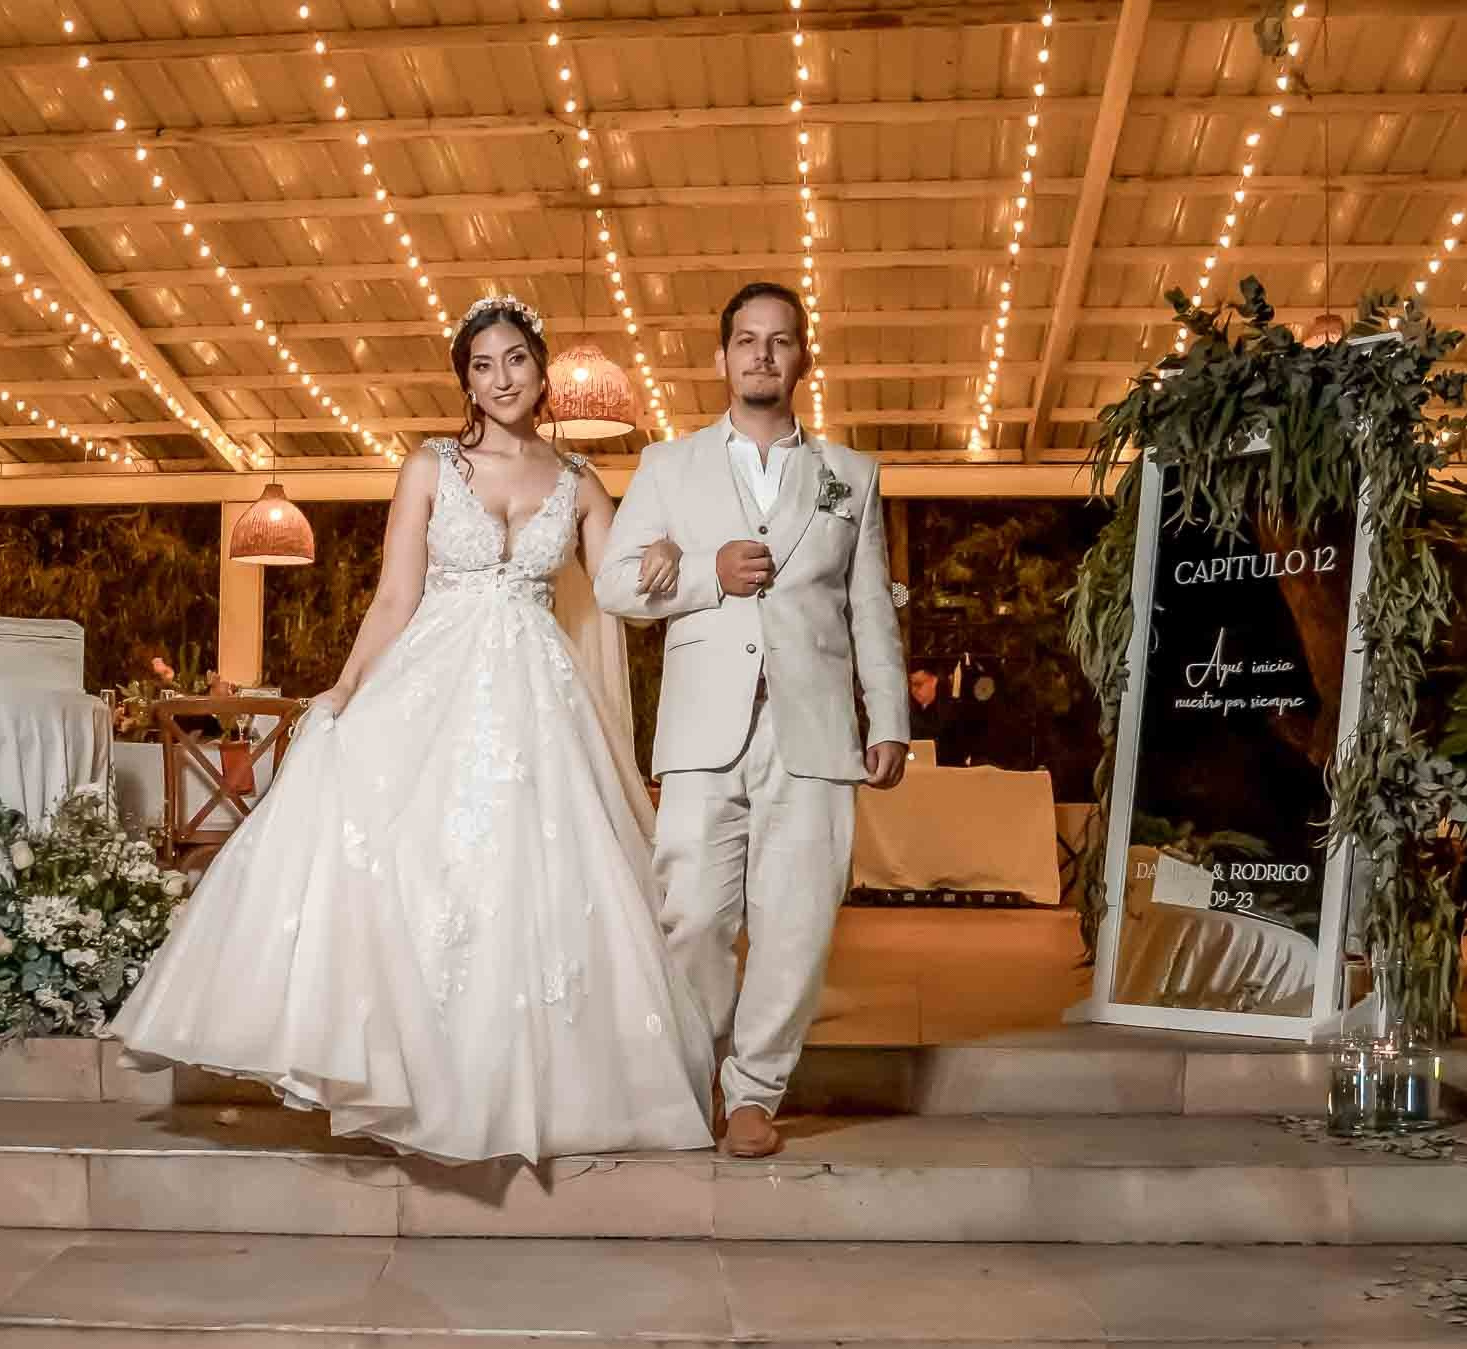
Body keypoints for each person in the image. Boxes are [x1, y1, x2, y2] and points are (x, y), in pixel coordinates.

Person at [106, 295, 714, 1164]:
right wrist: (346, 690)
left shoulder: (580, 481)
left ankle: (513, 1086)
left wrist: (666, 557)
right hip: (432, 682)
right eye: (481, 365)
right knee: (420, 870)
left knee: (533, 880)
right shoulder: (429, 465)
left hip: (540, 698)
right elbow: (395, 596)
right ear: (465, 379)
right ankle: (418, 1072)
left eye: (514, 361)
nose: (500, 378)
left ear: (542, 372)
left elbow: (623, 585)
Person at [597, 282, 910, 1157]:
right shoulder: (668, 465)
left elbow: (871, 609)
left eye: (779, 341)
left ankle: (755, 1092)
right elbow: (618, 584)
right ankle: (696, 1069)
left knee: (798, 917)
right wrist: (705, 573)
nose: (761, 355)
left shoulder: (851, 476)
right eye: (746, 340)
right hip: (703, 730)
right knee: (693, 912)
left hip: (813, 732)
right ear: (721, 356)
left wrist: (887, 716)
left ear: (803, 357)